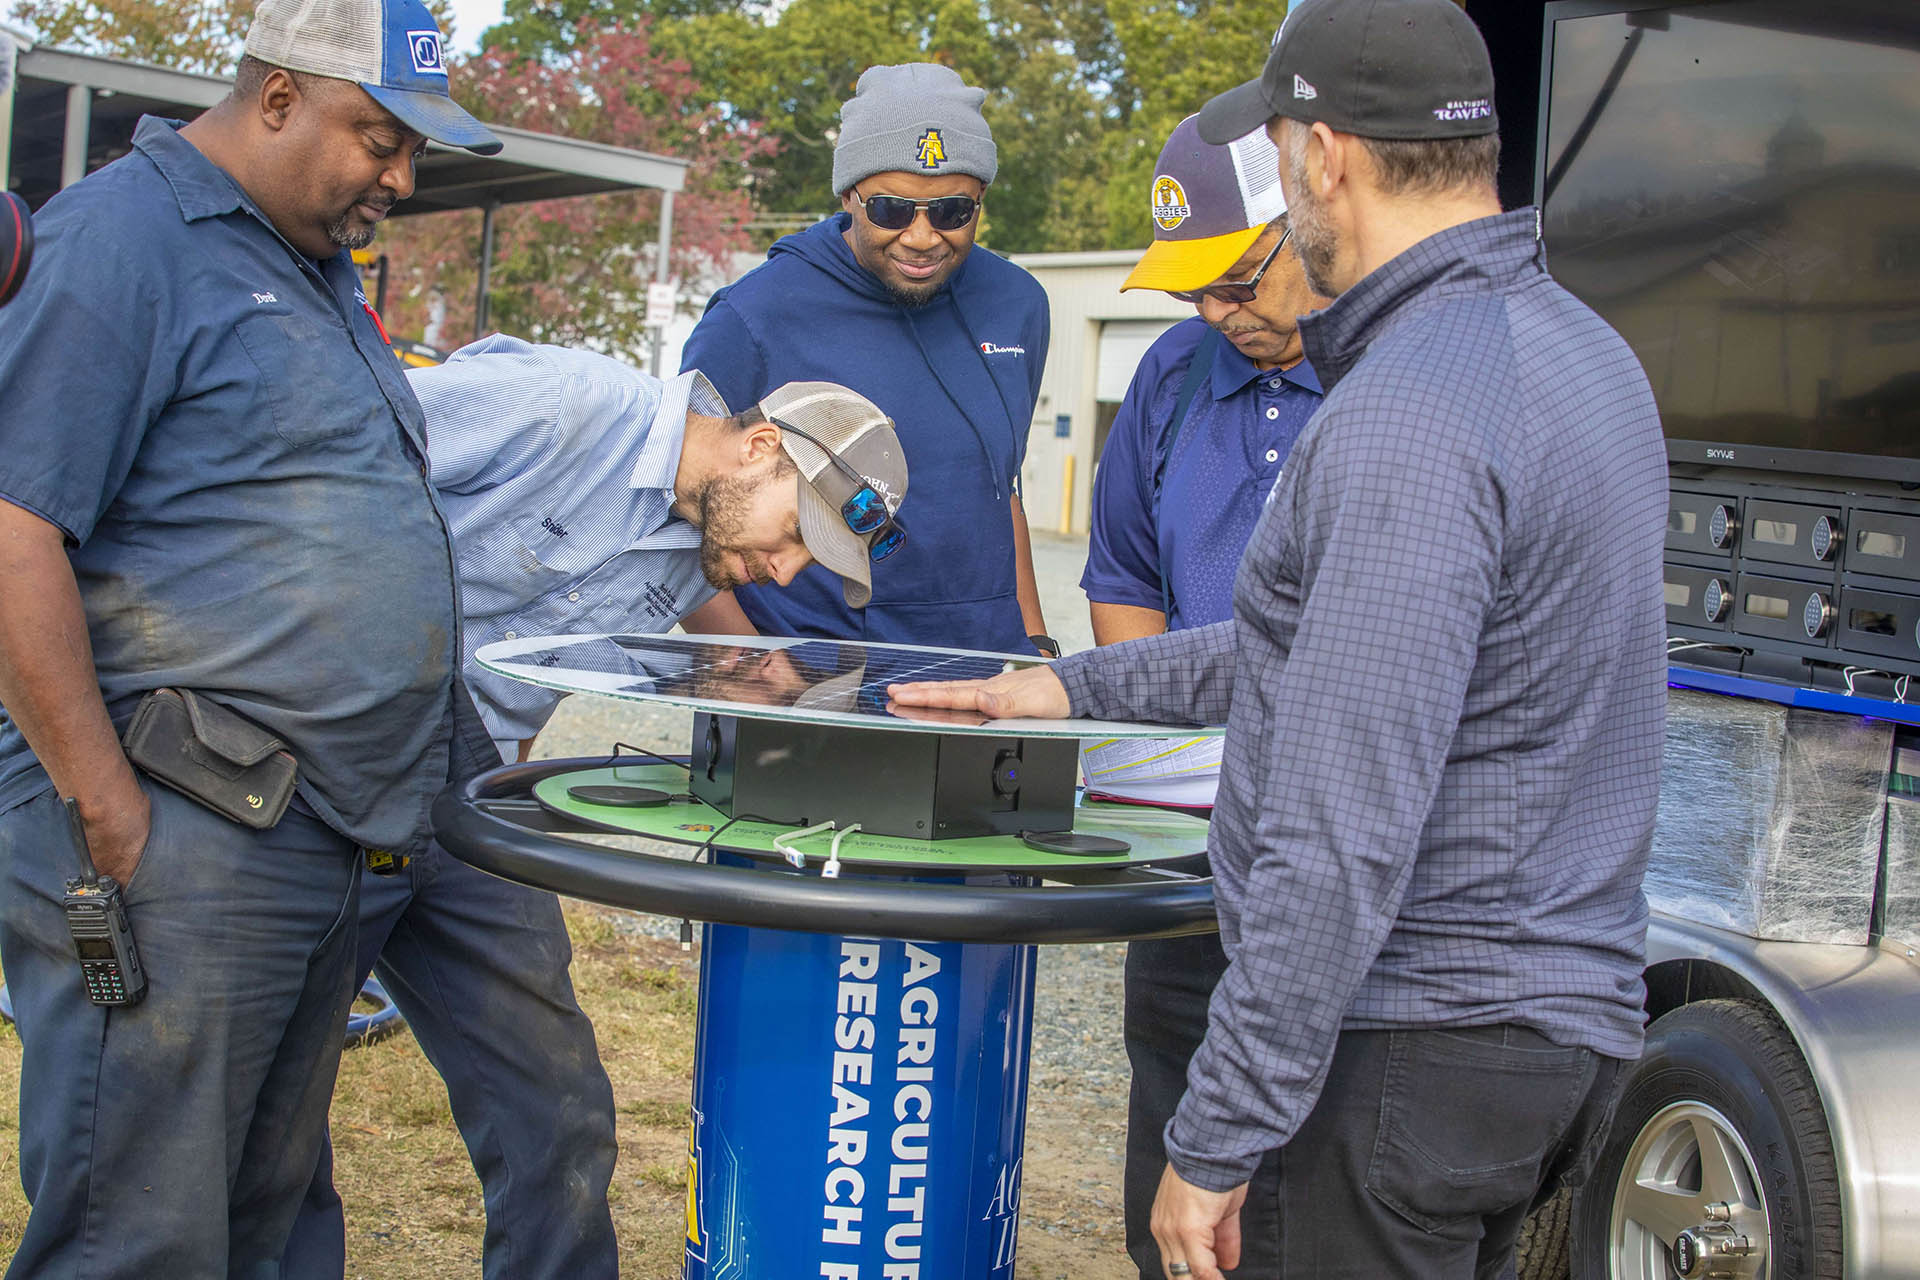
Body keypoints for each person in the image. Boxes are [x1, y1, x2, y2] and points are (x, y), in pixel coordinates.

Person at [890, 0, 1670, 1275]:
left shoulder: (1405, 407)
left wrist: (1218, 1135)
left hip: (1401, 1048)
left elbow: (1340, 823)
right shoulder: (1588, 357)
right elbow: (1318, 651)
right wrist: (1065, 689)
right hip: (1549, 1038)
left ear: (1325, 157)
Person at [0, 0, 506, 1273]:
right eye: (378, 138)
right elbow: (13, 533)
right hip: (178, 831)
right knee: (139, 1229)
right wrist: (108, 808)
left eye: (413, 152)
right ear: (276, 97)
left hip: (311, 832)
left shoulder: (312, 263)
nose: (400, 177)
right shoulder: (120, 241)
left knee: (270, 1217)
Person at [283, 340, 910, 1278]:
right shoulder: (558, 404)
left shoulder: (708, 549)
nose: (786, 574)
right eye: (795, 539)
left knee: (557, 1108)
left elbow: (590, 654)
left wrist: (743, 682)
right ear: (760, 446)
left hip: (467, 797)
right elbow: (302, 464)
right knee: (273, 1110)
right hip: (317, 767)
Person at [1079, 113, 1327, 1280]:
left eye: (1236, 281)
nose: (1216, 314)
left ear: (1313, 219)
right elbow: (1124, 574)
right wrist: (1158, 761)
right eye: (1193, 291)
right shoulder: (1172, 378)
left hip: (1327, 836)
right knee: (1175, 1083)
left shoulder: (1388, 380)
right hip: (1190, 832)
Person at [680, 62, 1054, 656]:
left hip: (981, 674)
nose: (923, 236)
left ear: (982, 198)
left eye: (954, 211)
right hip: (808, 677)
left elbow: (999, 486)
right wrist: (751, 667)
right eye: (892, 210)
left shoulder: (1019, 305)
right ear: (849, 195)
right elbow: (681, 515)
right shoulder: (754, 314)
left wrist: (1033, 642)